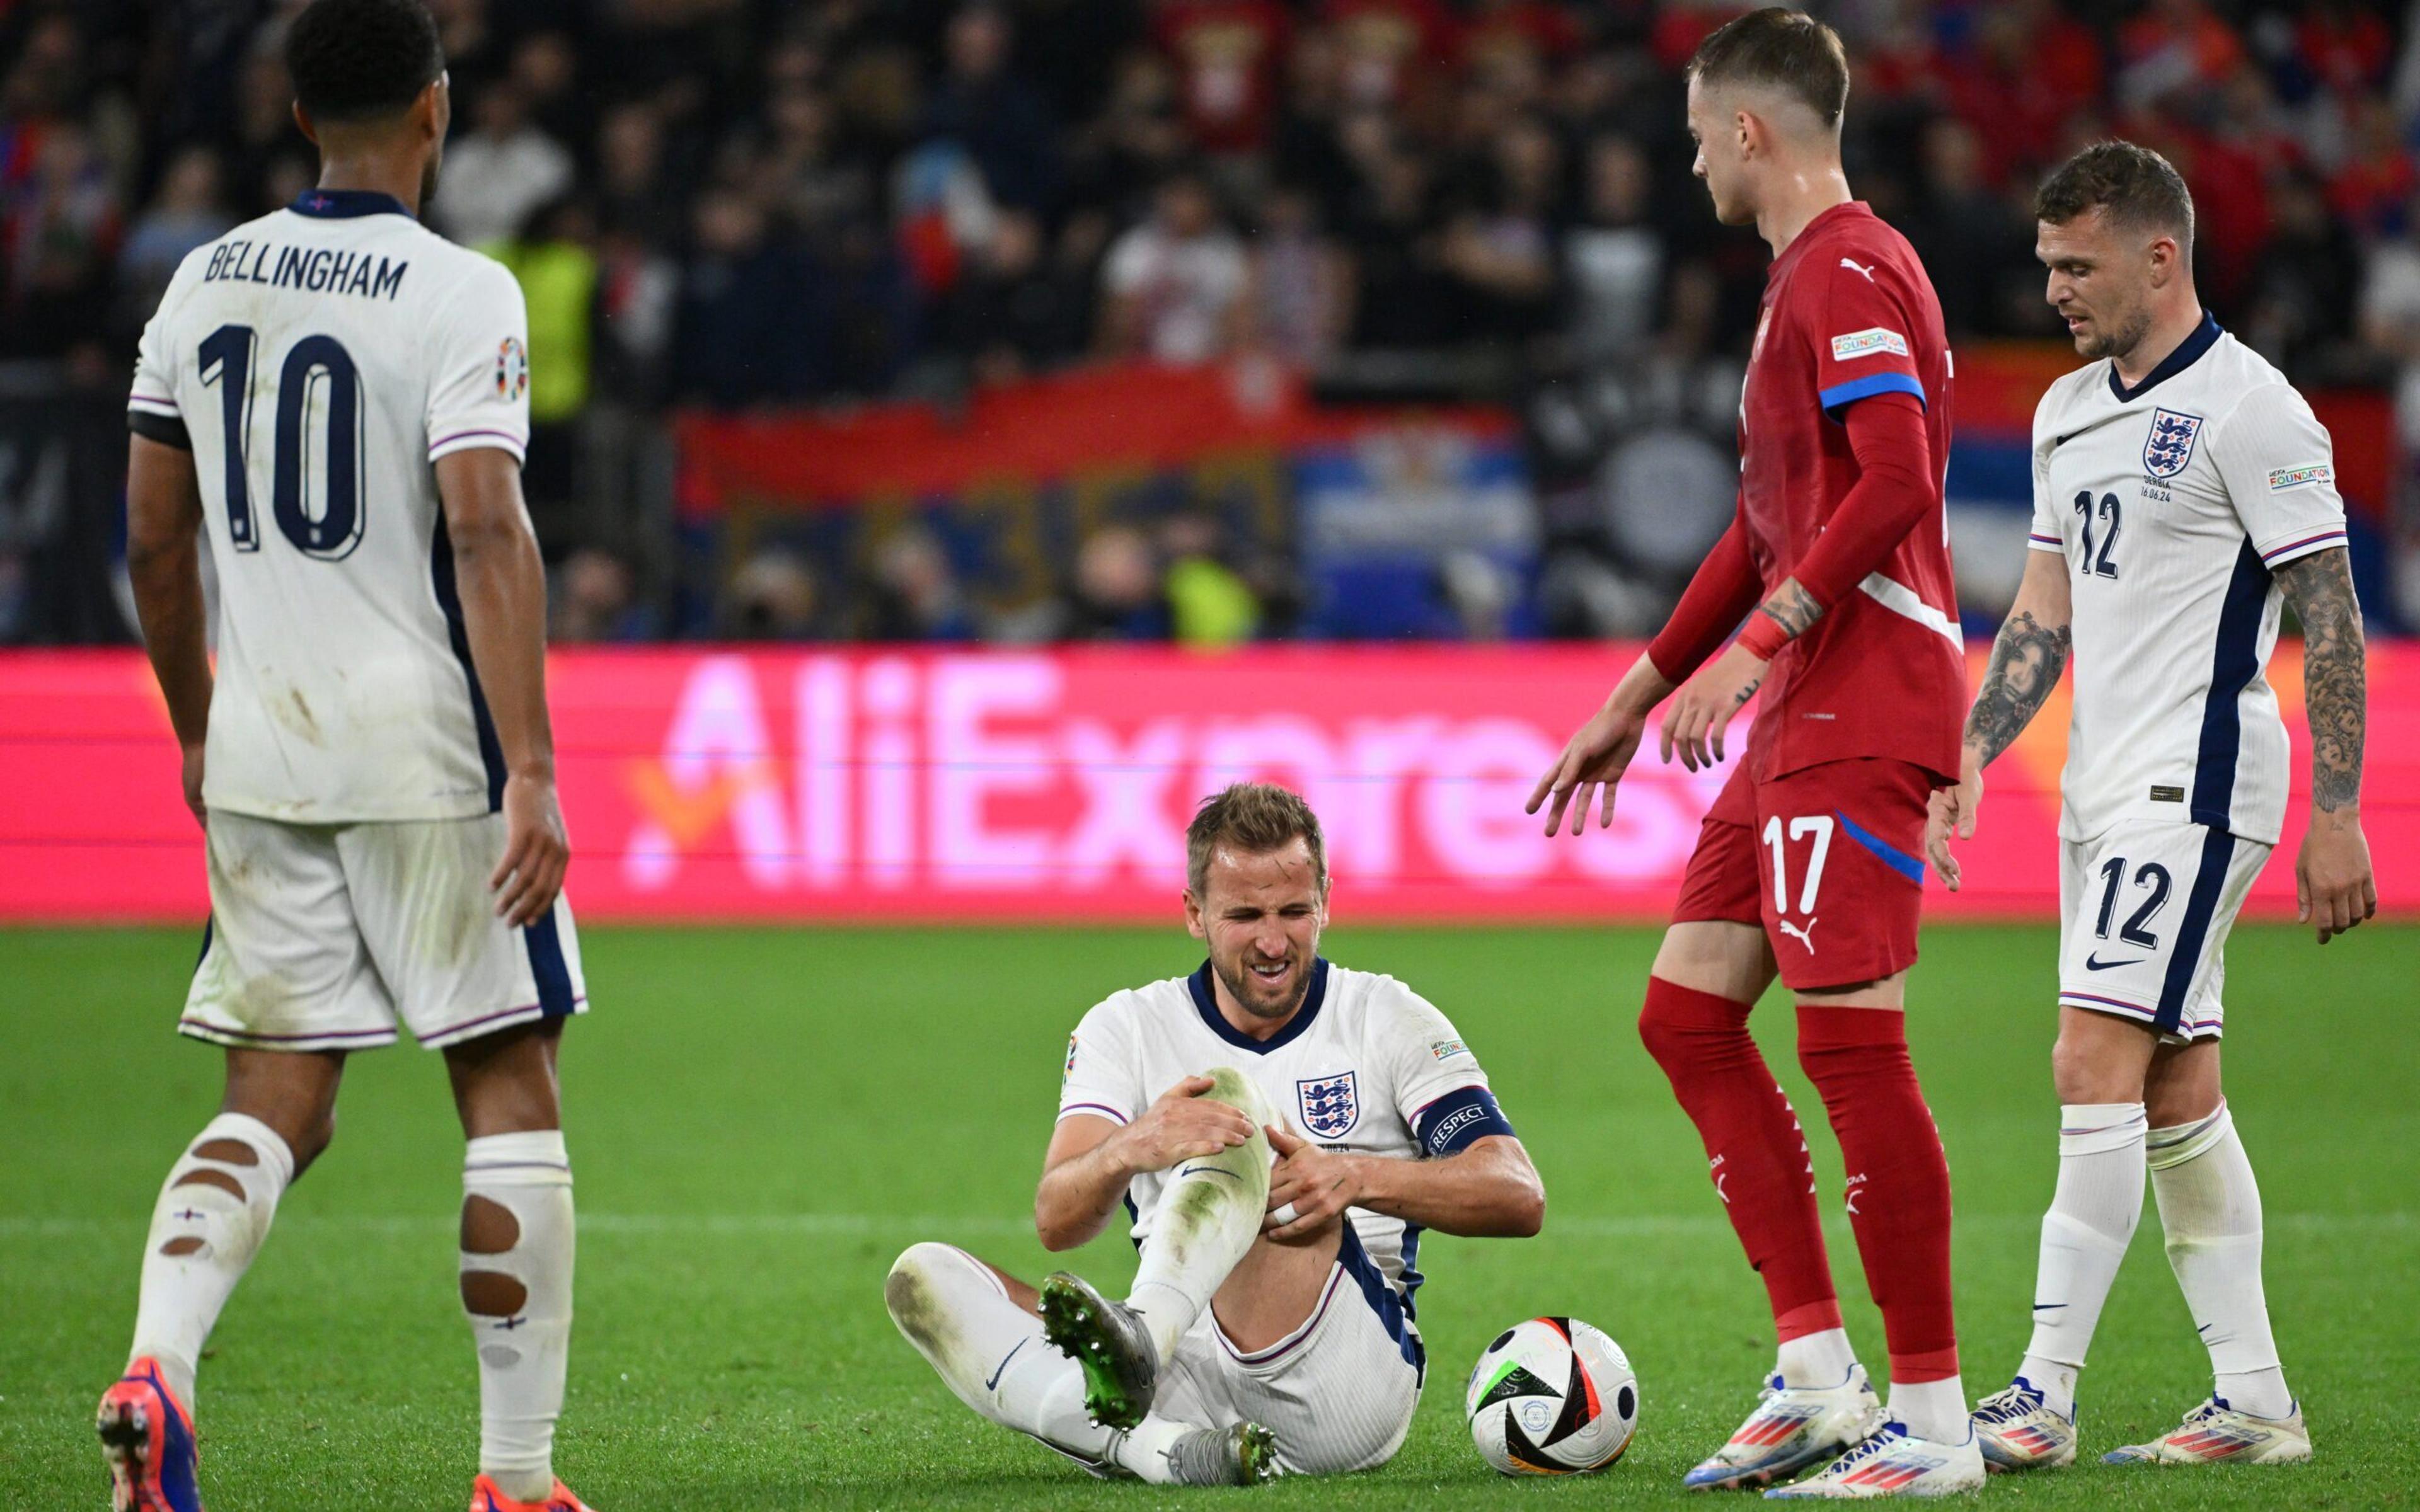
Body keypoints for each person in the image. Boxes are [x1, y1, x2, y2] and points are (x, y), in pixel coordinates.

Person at [103, 4, 591, 1509]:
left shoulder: (199, 280)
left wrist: (197, 722)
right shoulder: (461, 291)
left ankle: (156, 1363)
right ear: (435, 112)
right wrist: (530, 765)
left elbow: (153, 539)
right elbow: (484, 525)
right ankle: (515, 1477)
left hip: (261, 742)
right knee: (507, 1082)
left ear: (299, 109)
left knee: (276, 1093)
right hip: (426, 747)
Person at [1528, 9, 1981, 1497]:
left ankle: (1930, 1424)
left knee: (1851, 1042)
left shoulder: (1846, 263)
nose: (1687, 166)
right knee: (1684, 1014)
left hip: (1851, 703)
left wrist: (1765, 638)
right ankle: (1815, 1378)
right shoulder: (1802, 281)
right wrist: (1640, 683)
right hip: (1801, 708)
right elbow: (1768, 521)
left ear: (1746, 131)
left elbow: (1900, 477)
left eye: (1692, 136)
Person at [1933, 140, 2375, 1472]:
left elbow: (2333, 616)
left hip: (2198, 782)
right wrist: (1973, 750)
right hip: (2101, 788)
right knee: (2178, 1088)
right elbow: (2042, 612)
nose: (2056, 290)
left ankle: (2041, 1395)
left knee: (2090, 1062)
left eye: (2077, 266)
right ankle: (2253, 1402)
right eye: (2047, 265)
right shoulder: (2066, 411)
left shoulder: (2259, 410)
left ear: (2159, 254)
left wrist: (2342, 810)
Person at [884, 782, 1545, 1484]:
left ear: (1325, 901)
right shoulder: (1126, 1026)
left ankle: (1141, 1350)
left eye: (1294, 911)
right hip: (1187, 1375)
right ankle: (1167, 1453)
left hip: (1341, 1381)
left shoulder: (1386, 1016)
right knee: (923, 1279)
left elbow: (1517, 1193)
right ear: (1195, 914)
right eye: (1245, 915)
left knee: (1232, 1104)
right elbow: (1059, 1218)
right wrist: (1131, 1146)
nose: (1272, 941)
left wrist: (1356, 1177)